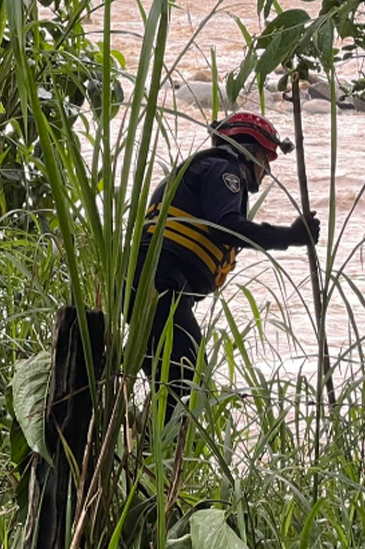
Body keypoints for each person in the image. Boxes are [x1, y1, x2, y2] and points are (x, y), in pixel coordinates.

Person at [131, 111, 320, 411]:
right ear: (248, 150)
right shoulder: (224, 171)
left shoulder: (201, 170)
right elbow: (229, 227)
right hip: (160, 285)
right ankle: (158, 453)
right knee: (187, 385)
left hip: (152, 285)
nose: (266, 170)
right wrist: (292, 236)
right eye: (264, 159)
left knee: (177, 385)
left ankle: (146, 449)